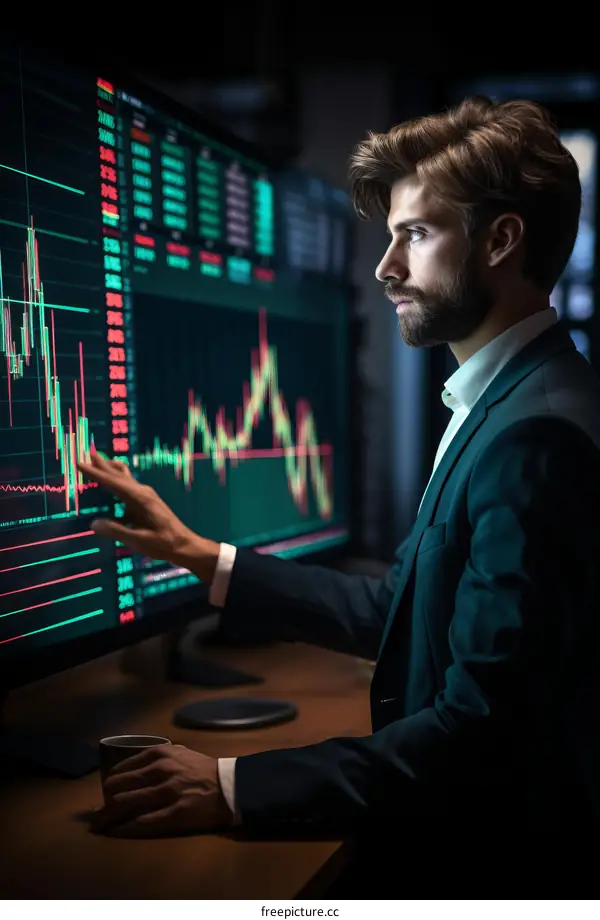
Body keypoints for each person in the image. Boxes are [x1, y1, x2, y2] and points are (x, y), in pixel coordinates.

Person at [79, 95, 600, 888]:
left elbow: (479, 731)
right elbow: (404, 607)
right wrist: (200, 556)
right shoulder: (512, 395)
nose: (386, 267)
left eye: (415, 234)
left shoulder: (538, 438)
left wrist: (232, 786)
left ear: (501, 240)